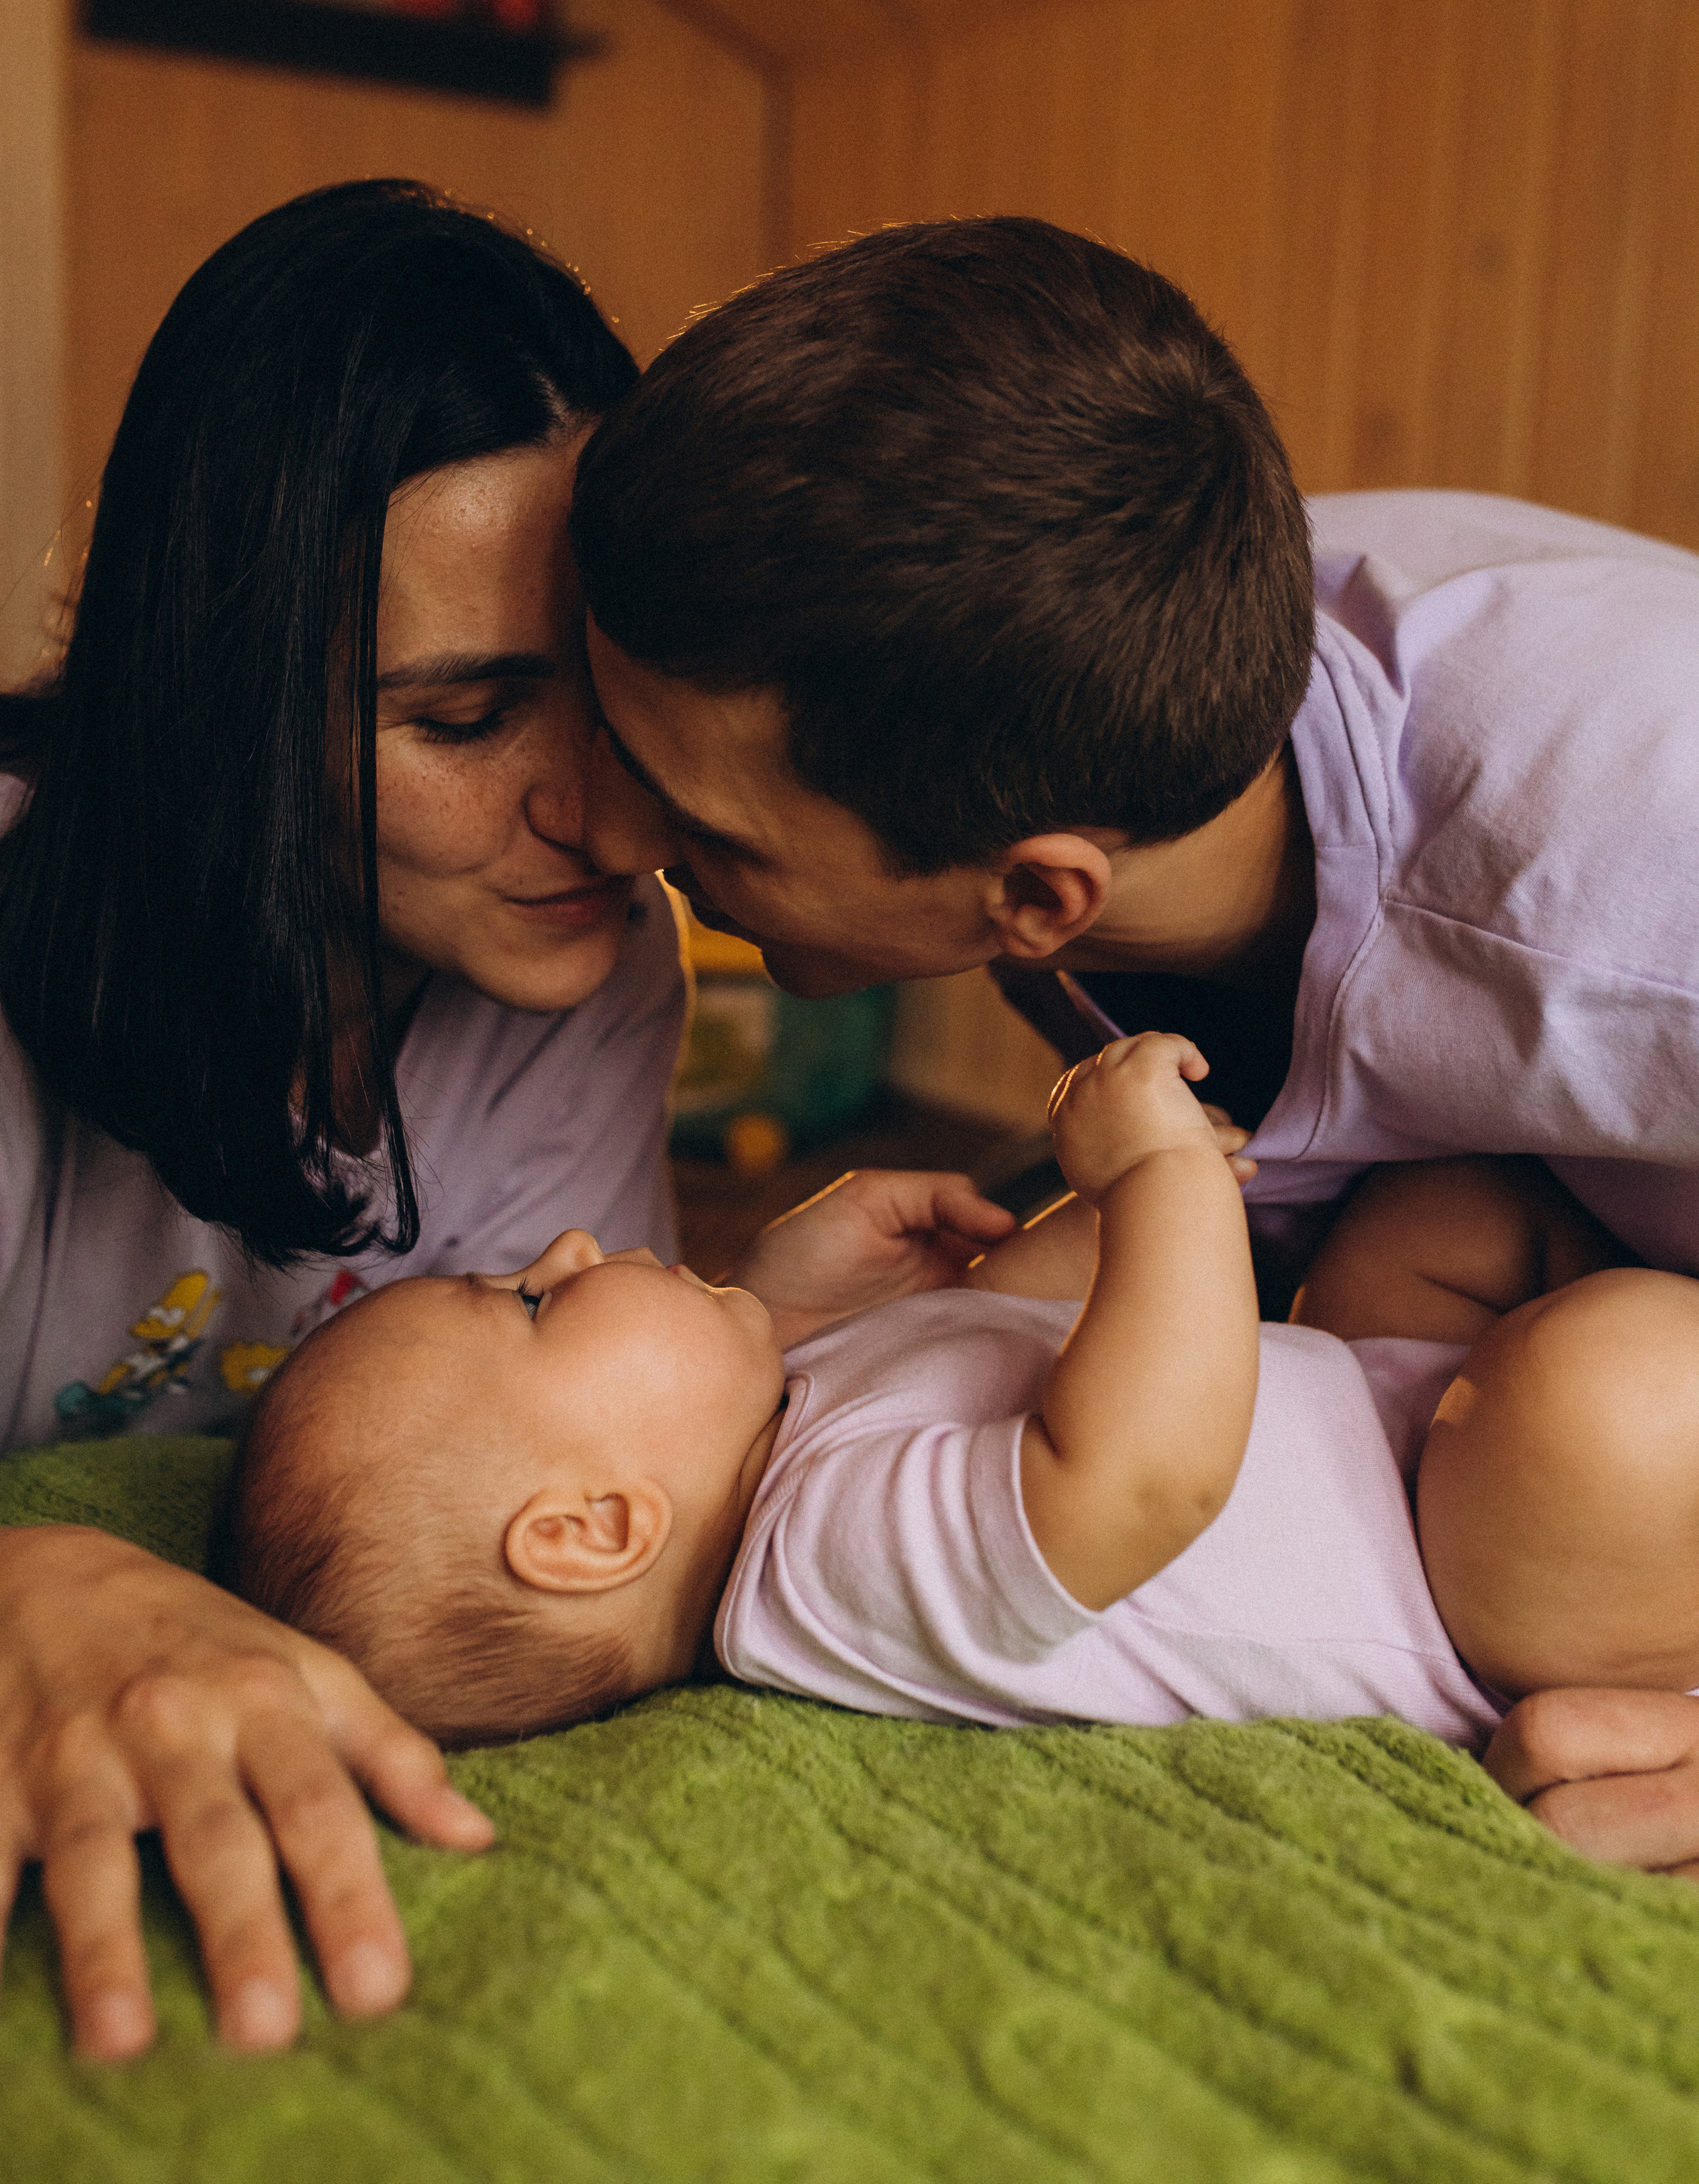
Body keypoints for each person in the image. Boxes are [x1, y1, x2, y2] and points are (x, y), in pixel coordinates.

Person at [0, 181, 1013, 2060]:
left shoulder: (578, 973)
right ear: (216, 695)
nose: (614, 835)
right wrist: (21, 1573)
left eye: (618, 716)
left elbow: (506, 1501)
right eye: (465, 721)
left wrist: (751, 1333)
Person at [565, 213, 1699, 1856]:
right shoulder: (1084, 676)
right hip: (1538, 1256)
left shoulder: (1621, 907)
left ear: (1039, 899)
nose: (600, 835)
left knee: (1596, 1417)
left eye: (697, 825)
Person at [213, 1043, 1699, 1864]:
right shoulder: (818, 1573)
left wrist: (1061, 1237)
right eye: (534, 1306)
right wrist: (1161, 1181)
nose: (574, 1247)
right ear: (596, 1529)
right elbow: (1135, 1472)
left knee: (1429, 1217)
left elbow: (1030, 1330)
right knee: (1590, 1394)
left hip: (1396, 1420)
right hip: (1470, 1592)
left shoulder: (783, 1432)